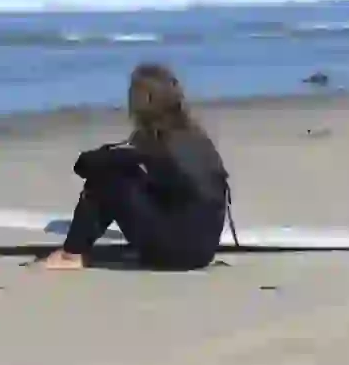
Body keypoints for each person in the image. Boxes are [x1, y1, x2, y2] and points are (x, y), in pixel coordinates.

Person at [41, 63, 233, 271]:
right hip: (204, 252)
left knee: (107, 179)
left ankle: (71, 254)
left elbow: (85, 166)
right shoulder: (196, 137)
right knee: (124, 172)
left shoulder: (154, 142)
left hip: (174, 255)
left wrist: (115, 156)